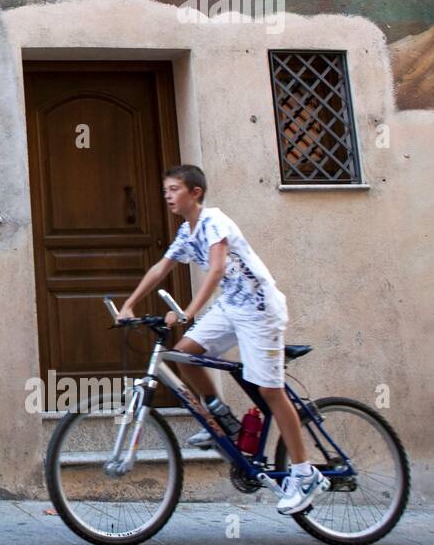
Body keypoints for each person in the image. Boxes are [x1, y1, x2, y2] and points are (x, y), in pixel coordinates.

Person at [117, 165, 329, 515]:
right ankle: (221, 420)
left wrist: (187, 312)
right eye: (165, 189)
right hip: (231, 307)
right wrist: (129, 303)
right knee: (183, 355)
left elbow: (215, 269)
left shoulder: (214, 221)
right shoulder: (187, 231)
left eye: (173, 189)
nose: (167, 195)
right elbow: (160, 268)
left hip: (260, 309)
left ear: (195, 193)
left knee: (270, 390)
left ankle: (305, 474)